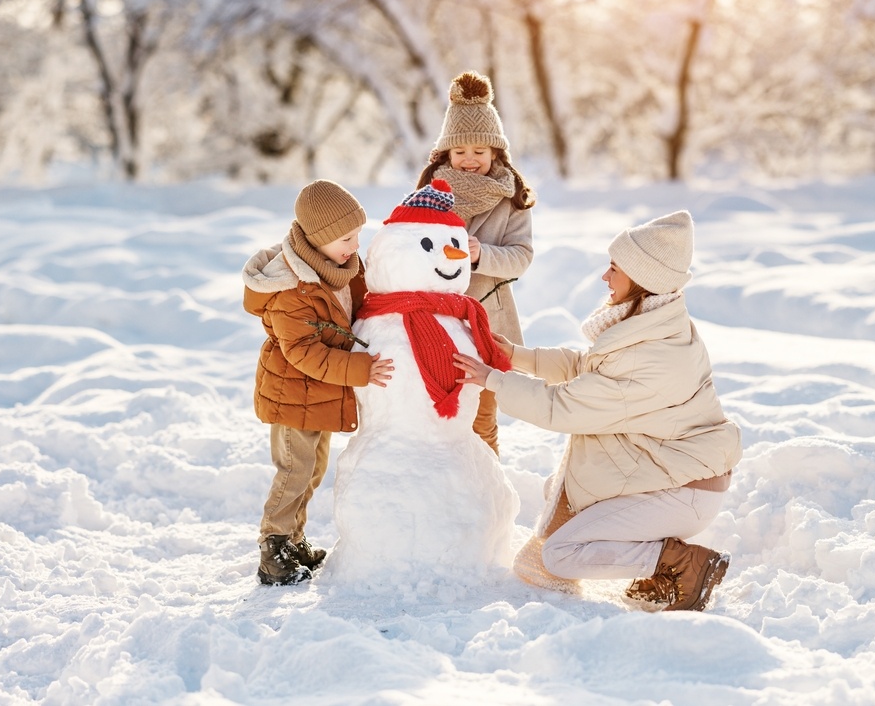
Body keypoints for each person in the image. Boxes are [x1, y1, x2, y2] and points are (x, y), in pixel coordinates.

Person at [453, 210, 742, 611]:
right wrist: (516, 357)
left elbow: (563, 407)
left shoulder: (650, 355)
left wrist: (493, 380)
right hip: (673, 471)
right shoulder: (654, 322)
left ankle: (681, 564)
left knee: (560, 554)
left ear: (643, 280)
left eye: (614, 268)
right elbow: (588, 369)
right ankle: (662, 564)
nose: (605, 278)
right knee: (563, 487)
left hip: (681, 492)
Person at [243, 180, 394, 585]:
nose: (355, 244)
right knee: (294, 469)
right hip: (293, 394)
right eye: (346, 237)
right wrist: (360, 368)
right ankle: (273, 547)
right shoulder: (293, 288)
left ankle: (294, 538)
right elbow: (304, 353)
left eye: (358, 234)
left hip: (321, 394)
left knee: (312, 469)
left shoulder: (341, 268)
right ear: (319, 238)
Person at [415, 70, 535, 456]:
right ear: (445, 154)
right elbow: (407, 248)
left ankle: (487, 488)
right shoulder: (429, 195)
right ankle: (443, 484)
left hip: (487, 320)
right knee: (438, 411)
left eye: (479, 152)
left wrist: (482, 254)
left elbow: (521, 258)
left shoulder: (511, 199)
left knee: (483, 415)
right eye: (460, 152)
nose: (469, 160)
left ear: (496, 153)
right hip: (436, 318)